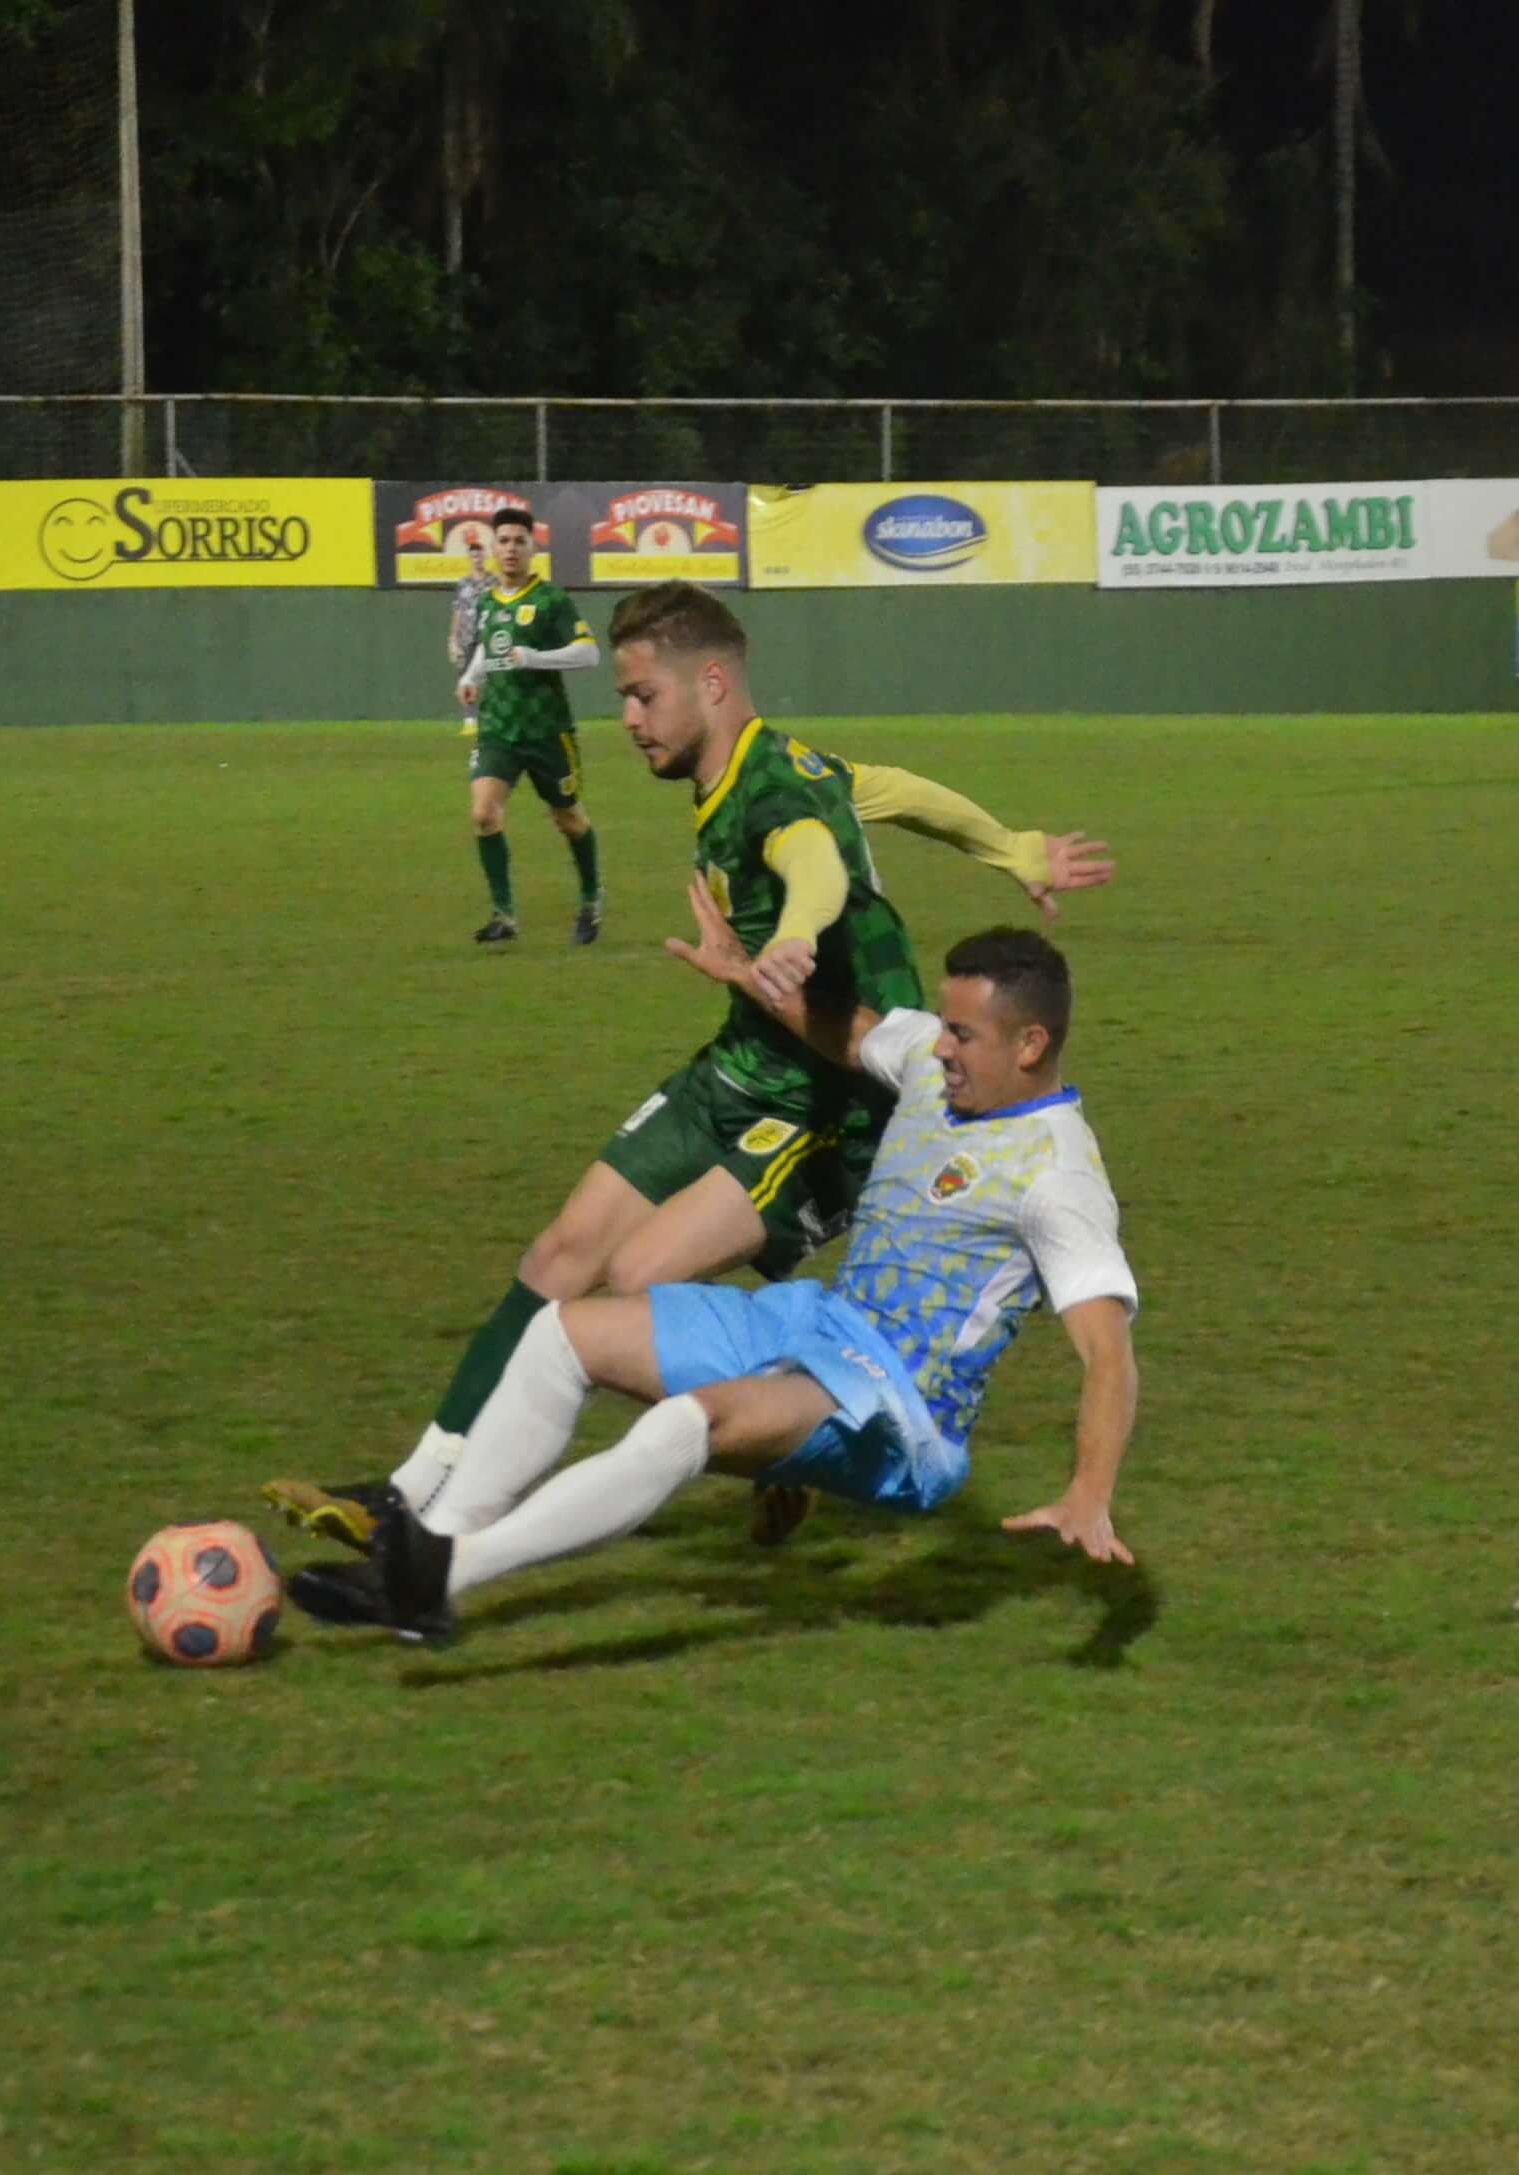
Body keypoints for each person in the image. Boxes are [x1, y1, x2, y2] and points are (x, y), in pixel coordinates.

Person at [266, 580, 1115, 1549]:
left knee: (633, 1280)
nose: (626, 719)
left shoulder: (778, 794)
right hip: (739, 1064)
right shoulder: (775, 763)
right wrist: (1009, 846)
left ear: (710, 683)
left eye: (642, 696)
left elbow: (815, 865)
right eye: (622, 697)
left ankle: (759, 1434)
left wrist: (796, 936)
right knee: (559, 1256)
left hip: (821, 1105)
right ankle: (407, 1493)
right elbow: (895, 790)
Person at [287, 916, 1140, 1646]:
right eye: (945, 1027)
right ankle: (427, 1551)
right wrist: (747, 977)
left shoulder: (1058, 1176)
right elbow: (849, 1032)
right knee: (564, 1332)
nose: (941, 1046)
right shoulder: (928, 1059)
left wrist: (1087, 1494)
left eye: (964, 1035)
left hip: (903, 1407)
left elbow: (1108, 1356)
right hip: (818, 1325)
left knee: (684, 1425)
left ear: (1031, 1044)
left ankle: (440, 1579)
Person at [459, 506, 605, 946]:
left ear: (532, 548)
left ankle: (591, 899)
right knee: (483, 813)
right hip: (498, 728)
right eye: (502, 541)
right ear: (493, 547)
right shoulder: (487, 602)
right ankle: (504, 915)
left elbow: (589, 653)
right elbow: (489, 651)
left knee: (570, 821)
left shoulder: (551, 600)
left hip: (546, 731)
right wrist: (471, 677)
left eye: (519, 542)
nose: (510, 549)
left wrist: (535, 658)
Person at [448, 525, 491, 742]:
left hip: (487, 636)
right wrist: (452, 639)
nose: (476, 558)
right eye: (473, 555)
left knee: (492, 677)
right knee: (465, 678)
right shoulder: (463, 583)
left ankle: (492, 719)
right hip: (466, 637)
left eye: (479, 554)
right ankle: (470, 722)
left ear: (484, 556)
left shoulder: (492, 582)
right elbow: (458, 610)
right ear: (469, 557)